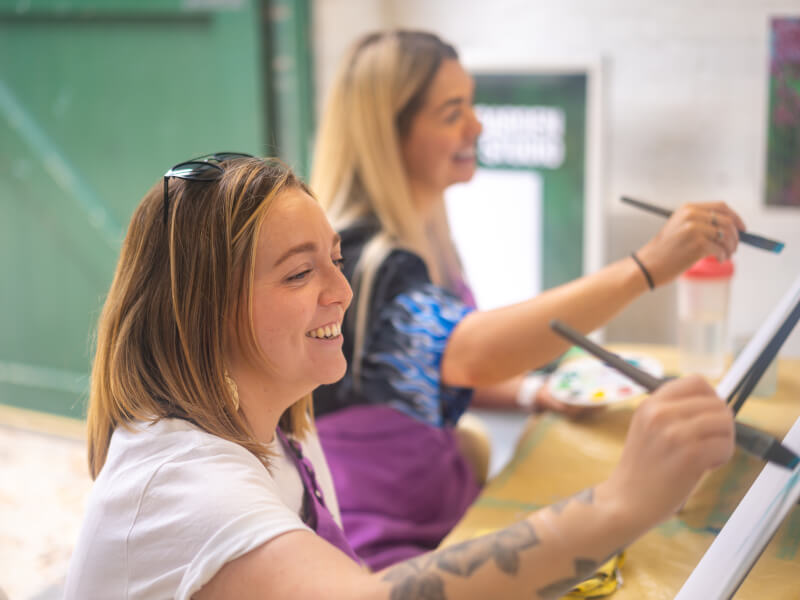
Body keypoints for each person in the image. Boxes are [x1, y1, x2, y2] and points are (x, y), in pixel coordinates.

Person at [63, 154, 734, 599]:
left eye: (335, 260)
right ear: (204, 315)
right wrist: (618, 506)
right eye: (301, 273)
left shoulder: (277, 421)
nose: (343, 291)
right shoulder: (186, 486)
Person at [310, 29, 747, 569]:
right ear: (389, 136)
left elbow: (434, 368)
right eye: (452, 113)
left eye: (470, 104)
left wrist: (530, 394)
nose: (477, 125)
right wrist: (647, 267)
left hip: (447, 506)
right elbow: (472, 352)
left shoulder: (426, 238)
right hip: (383, 546)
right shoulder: (360, 264)